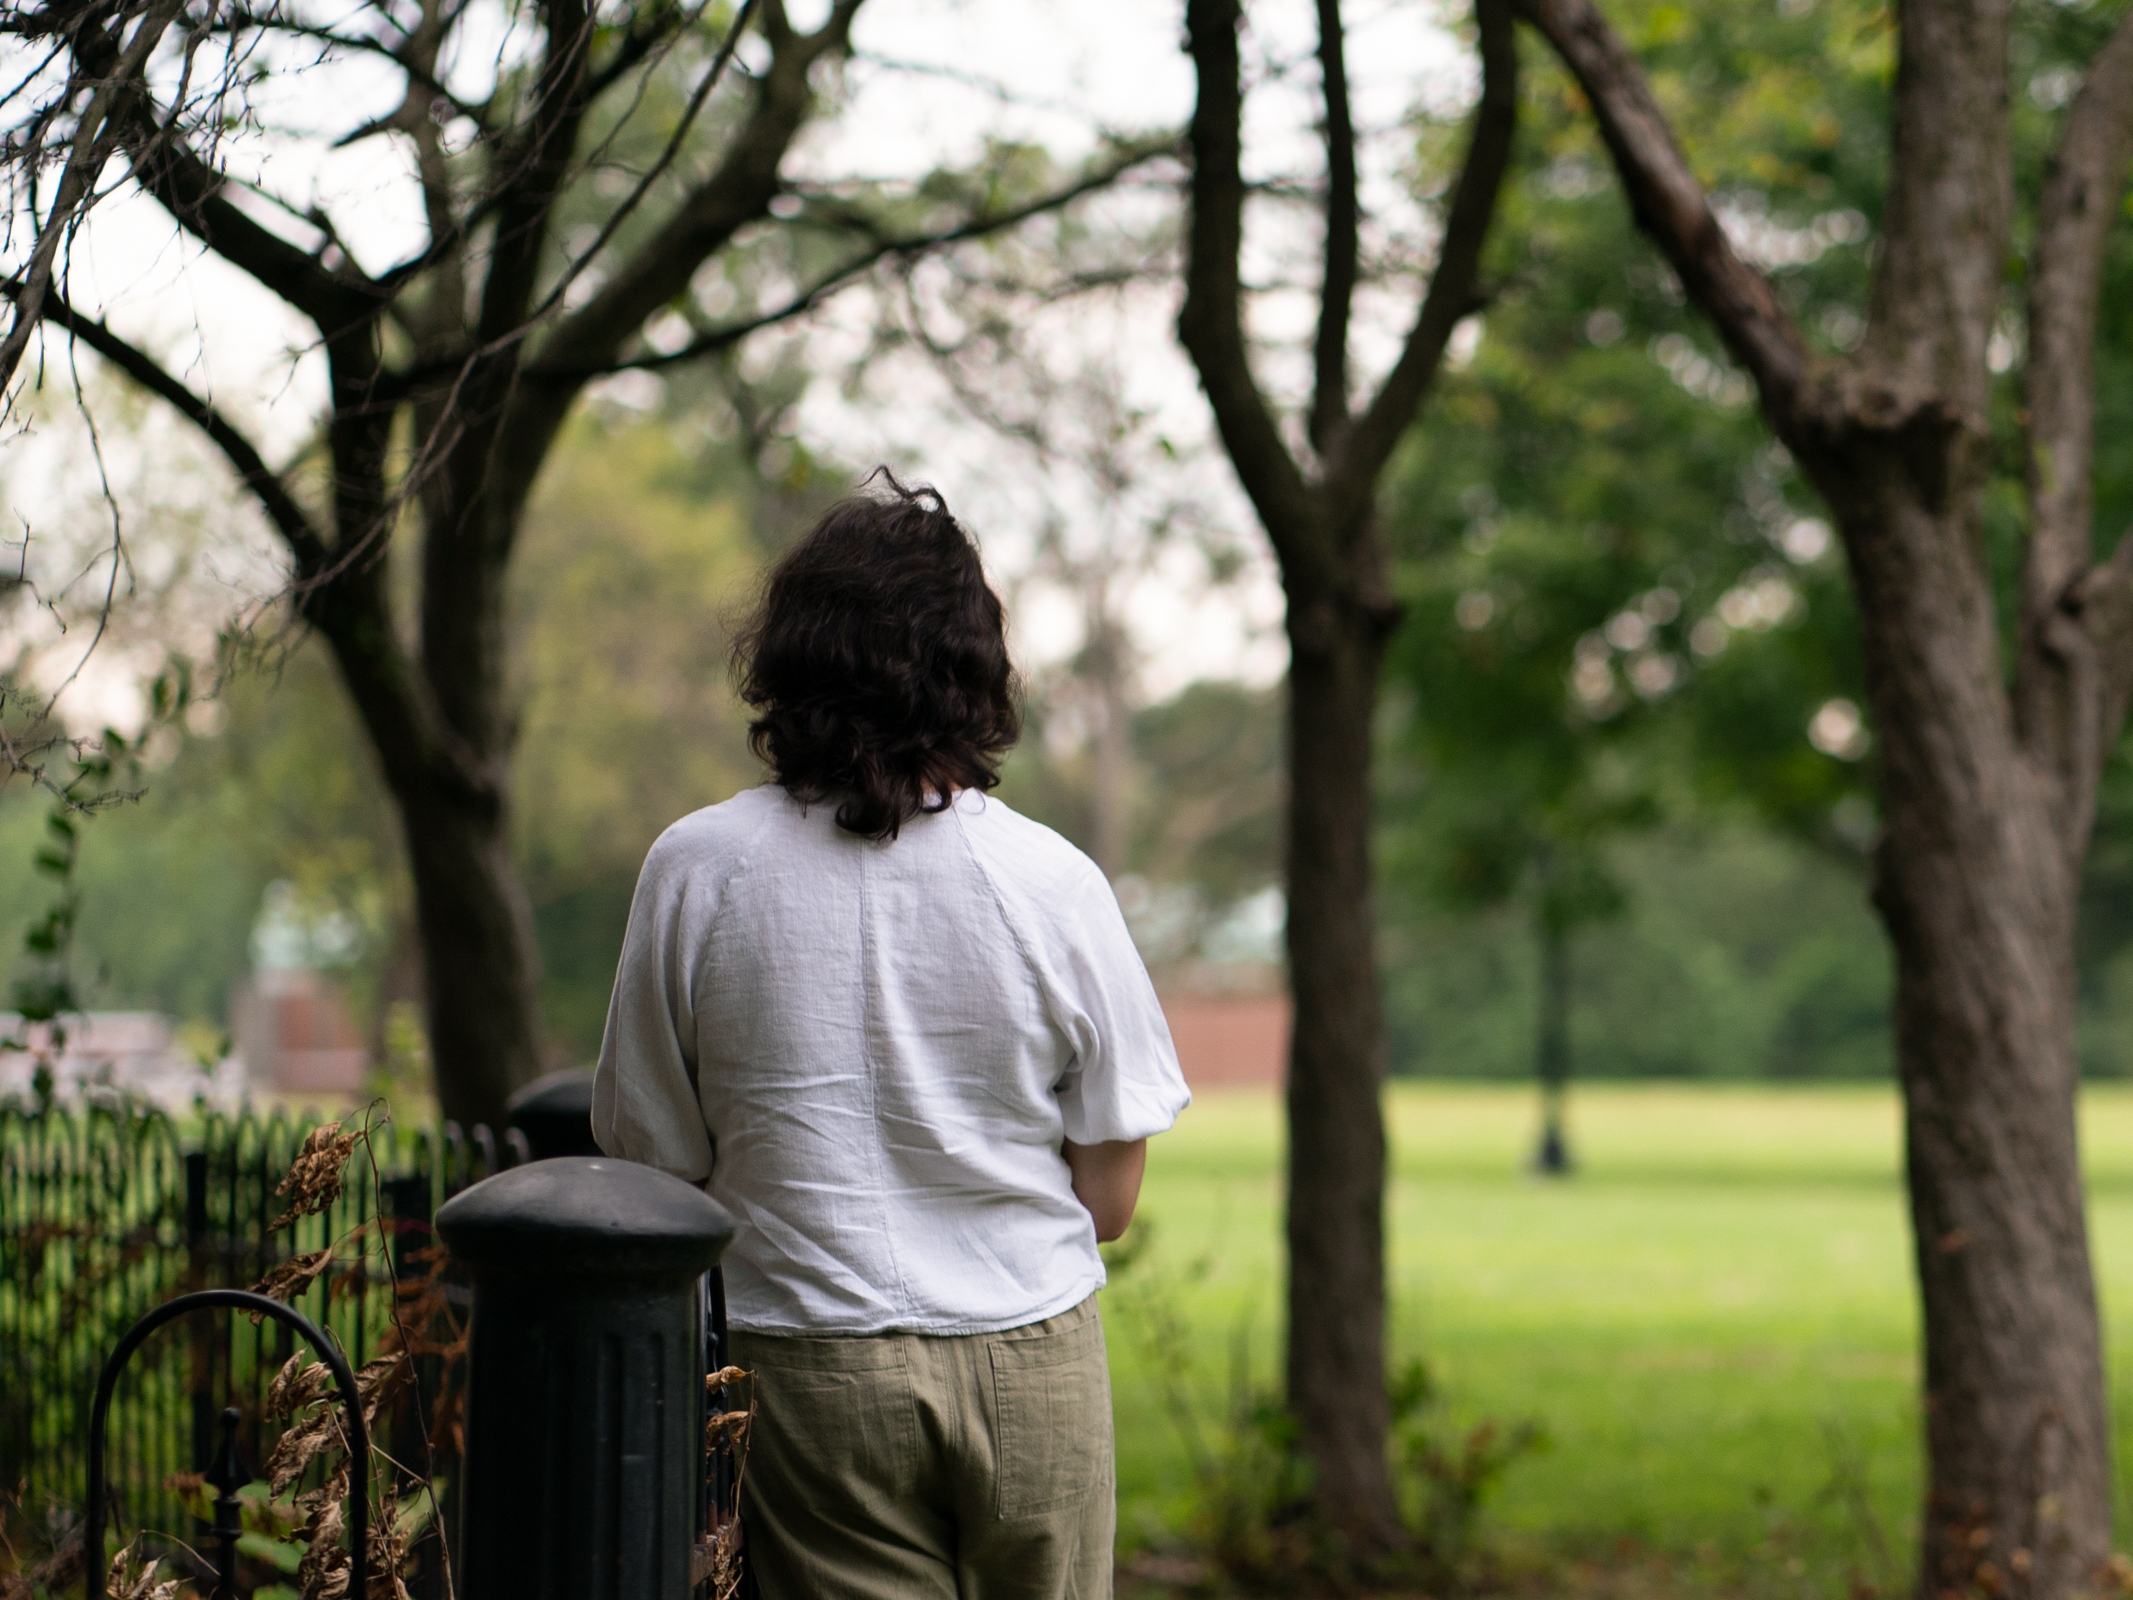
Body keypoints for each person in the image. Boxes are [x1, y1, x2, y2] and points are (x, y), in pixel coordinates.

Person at [592, 473, 1191, 1600]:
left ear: (789, 660)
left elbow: (654, 1169)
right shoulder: (1054, 884)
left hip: (808, 1362)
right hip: (1036, 1358)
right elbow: (1108, 1201)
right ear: (976, 669)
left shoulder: (696, 871)